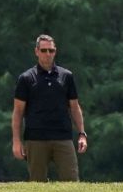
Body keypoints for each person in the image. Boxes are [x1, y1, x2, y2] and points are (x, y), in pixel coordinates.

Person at [11, 34, 87, 181]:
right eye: (44, 50)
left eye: (51, 51)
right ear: (36, 52)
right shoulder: (26, 78)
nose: (48, 54)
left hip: (63, 137)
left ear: (55, 51)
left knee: (71, 182)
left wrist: (82, 134)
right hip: (35, 139)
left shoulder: (66, 76)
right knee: (37, 184)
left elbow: (75, 107)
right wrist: (16, 141)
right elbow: (18, 112)